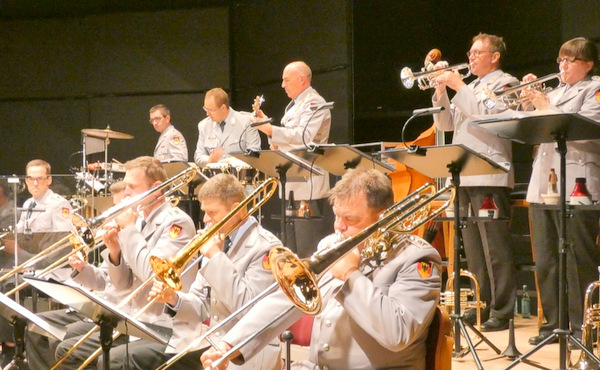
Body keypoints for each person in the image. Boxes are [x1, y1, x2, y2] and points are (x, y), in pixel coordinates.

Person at [201, 168, 442, 370]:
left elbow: (397, 334)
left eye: (350, 219)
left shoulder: (417, 258)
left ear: (384, 217)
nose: (339, 227)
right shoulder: (332, 244)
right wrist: (230, 345)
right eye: (337, 216)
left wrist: (351, 276)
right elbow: (285, 300)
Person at [106, 174, 282, 369]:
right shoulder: (218, 240)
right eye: (204, 212)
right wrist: (174, 299)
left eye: (212, 212)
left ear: (236, 210)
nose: (206, 220)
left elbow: (250, 311)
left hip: (250, 353)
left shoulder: (266, 248)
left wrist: (215, 257)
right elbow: (200, 304)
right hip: (216, 346)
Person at [53, 156, 198, 369]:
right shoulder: (138, 220)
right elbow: (122, 284)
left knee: (99, 357)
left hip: (164, 324)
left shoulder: (177, 223)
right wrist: (114, 253)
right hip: (136, 320)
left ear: (156, 188)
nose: (127, 192)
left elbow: (153, 274)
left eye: (132, 186)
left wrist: (129, 231)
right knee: (66, 348)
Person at [431, 33, 519, 331]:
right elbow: (445, 124)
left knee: (494, 246)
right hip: (466, 174)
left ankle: (502, 309)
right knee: (473, 246)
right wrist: (441, 90)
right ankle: (481, 303)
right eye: (470, 52)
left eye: (477, 52)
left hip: (490, 173)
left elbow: (489, 115)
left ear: (494, 56)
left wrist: (458, 86)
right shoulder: (471, 87)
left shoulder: (505, 82)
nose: (470, 57)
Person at [521, 37, 600, 346]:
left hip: (577, 183)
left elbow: (589, 128)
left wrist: (545, 105)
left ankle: (584, 328)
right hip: (544, 183)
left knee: (578, 258)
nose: (562, 66)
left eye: (570, 61)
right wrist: (529, 101)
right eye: (560, 60)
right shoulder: (554, 92)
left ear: (588, 65)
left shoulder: (594, 90)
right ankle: (554, 325)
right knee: (547, 258)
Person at [25, 180, 128, 370]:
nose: (114, 214)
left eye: (120, 208)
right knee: (36, 325)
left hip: (117, 313)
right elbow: (103, 279)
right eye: (114, 207)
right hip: (100, 306)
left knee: (65, 342)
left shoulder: (131, 237)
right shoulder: (120, 237)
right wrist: (82, 268)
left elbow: (119, 284)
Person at [252, 61, 333, 255]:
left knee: (307, 248)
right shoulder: (293, 106)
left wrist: (269, 129)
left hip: (308, 185)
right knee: (290, 248)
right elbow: (288, 137)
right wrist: (272, 135)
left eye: (286, 80)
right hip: (290, 183)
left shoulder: (315, 103)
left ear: (302, 80)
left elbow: (303, 137)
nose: (282, 85)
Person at [0, 159, 73, 366]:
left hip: (52, 270)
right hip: (29, 266)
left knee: (8, 286)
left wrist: (23, 256)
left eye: (39, 179)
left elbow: (60, 247)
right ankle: (9, 344)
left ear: (49, 180)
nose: (34, 183)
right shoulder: (28, 204)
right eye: (30, 179)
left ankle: (13, 348)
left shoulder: (59, 205)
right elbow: (23, 239)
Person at [194, 88, 261, 168]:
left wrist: (233, 161)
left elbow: (254, 152)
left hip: (239, 177)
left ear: (223, 108)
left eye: (210, 110)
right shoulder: (204, 125)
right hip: (214, 178)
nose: (207, 114)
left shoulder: (246, 121)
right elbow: (198, 156)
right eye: (205, 109)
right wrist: (209, 160)